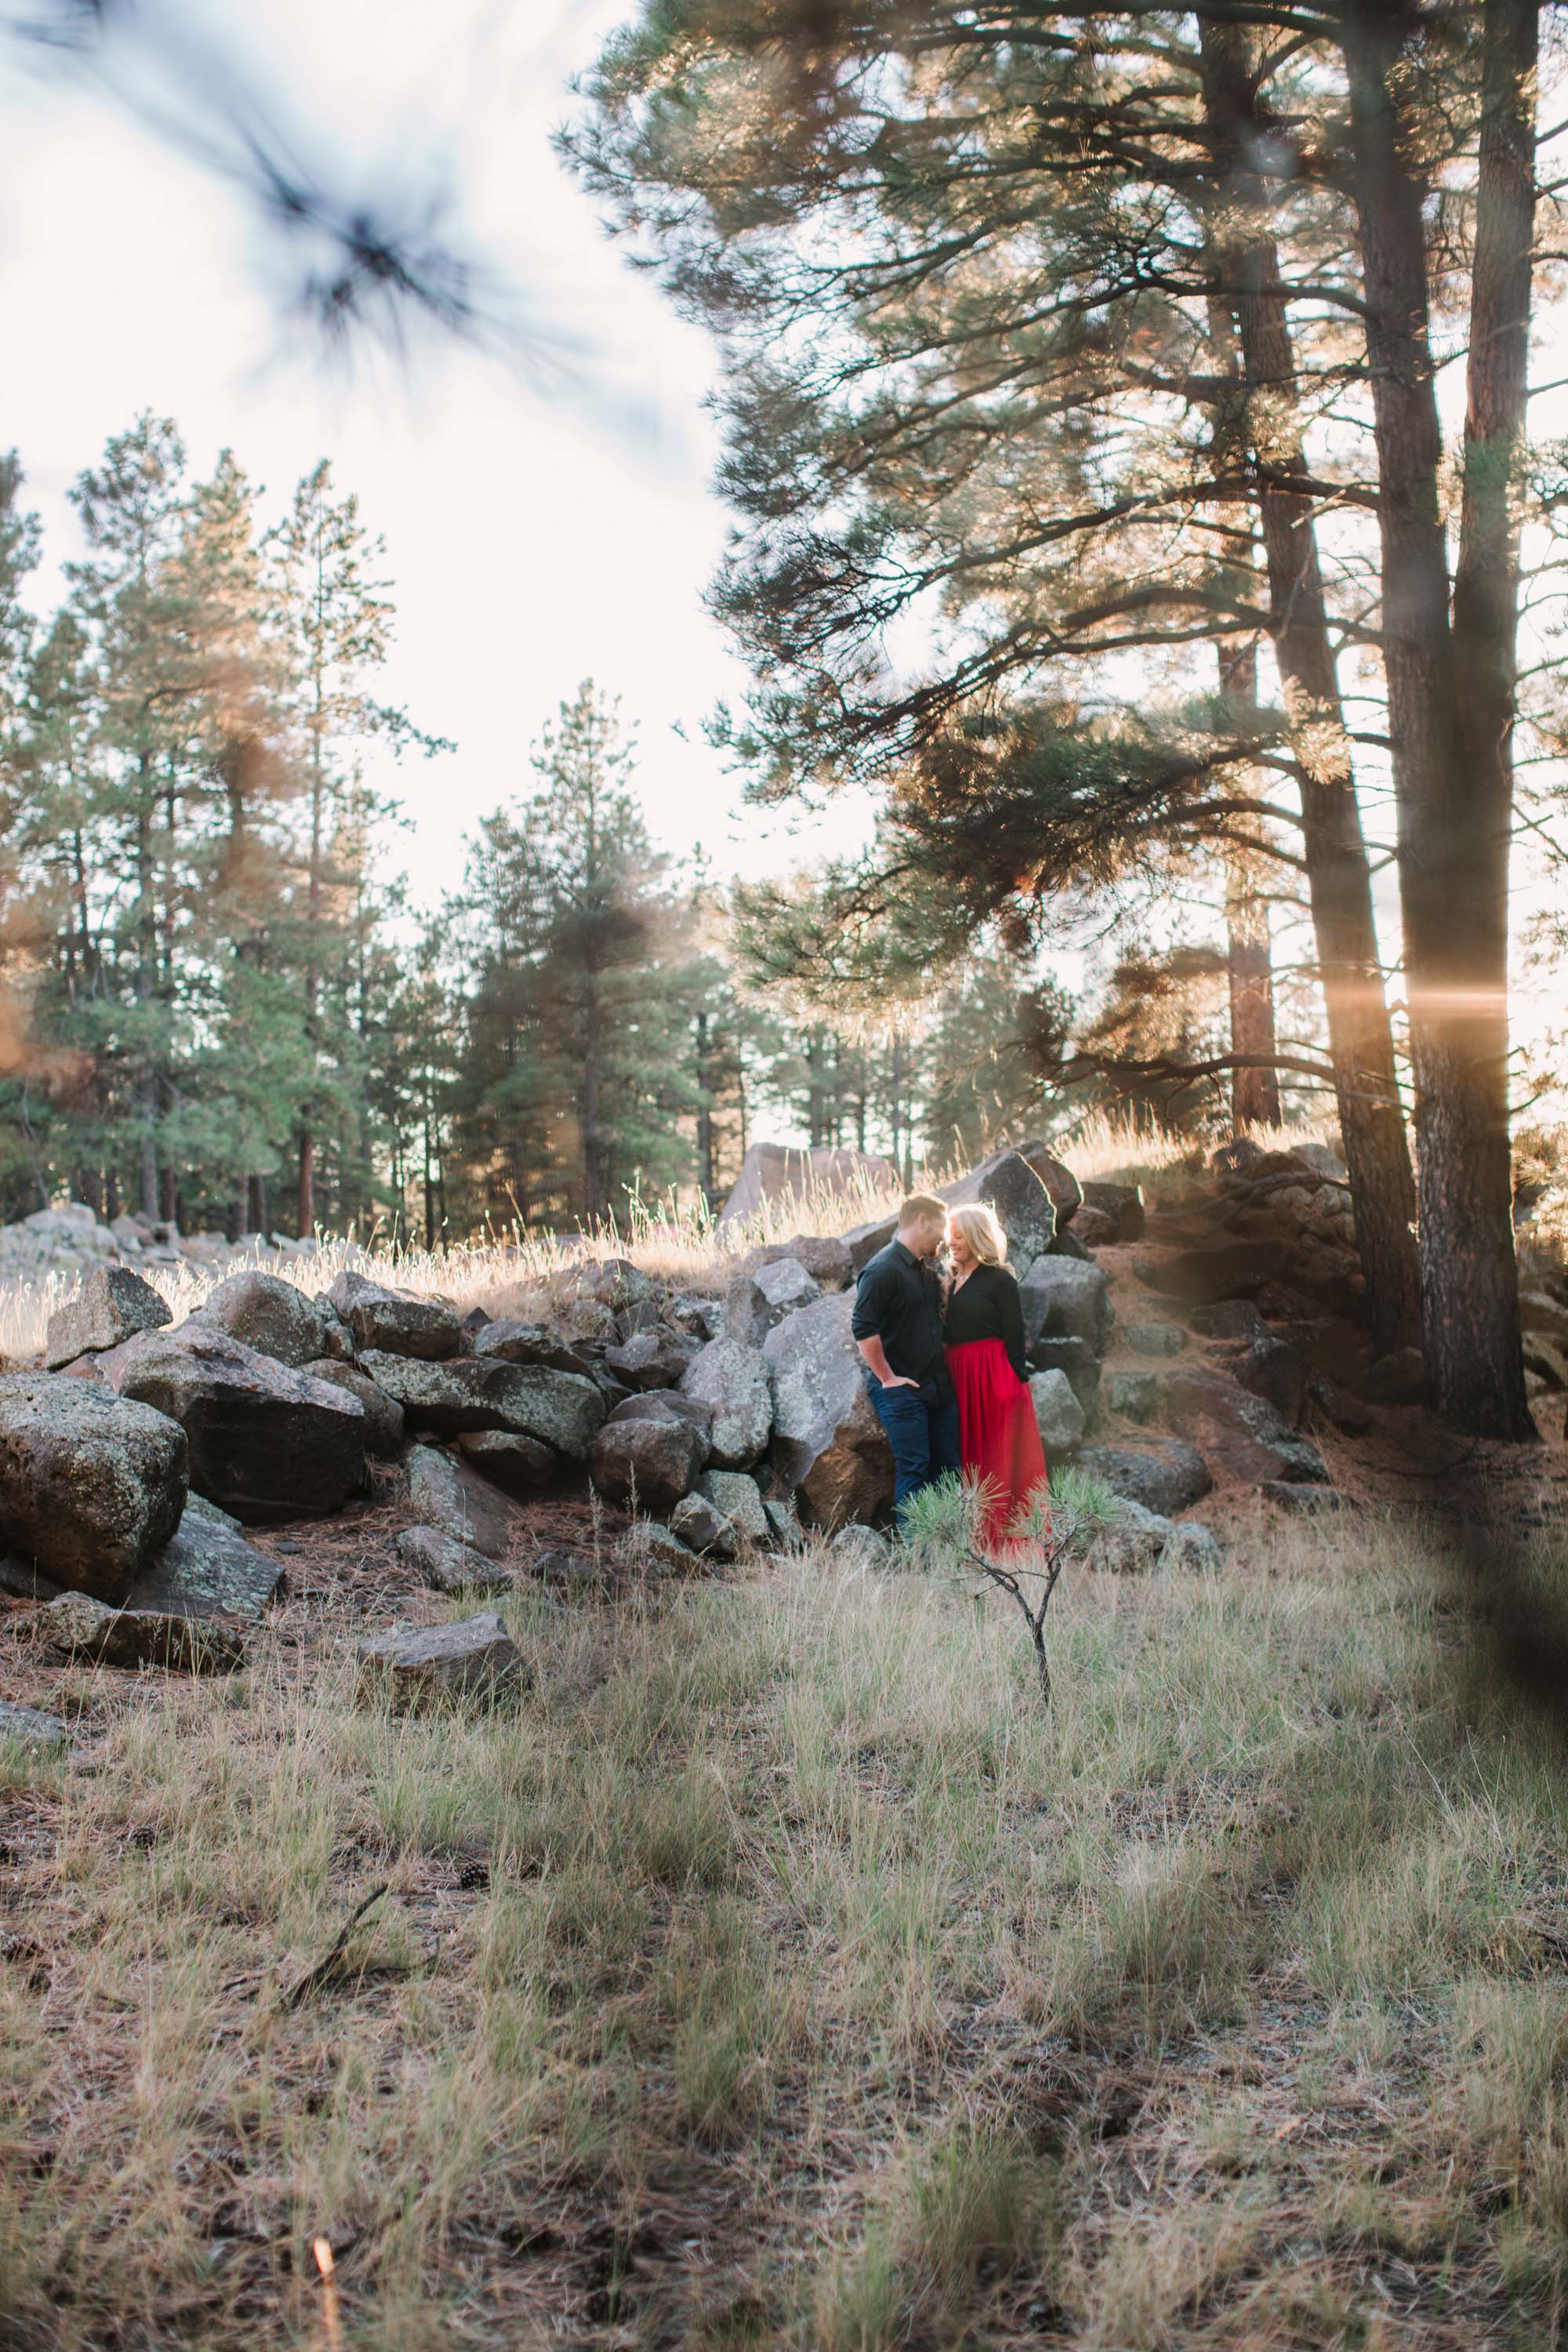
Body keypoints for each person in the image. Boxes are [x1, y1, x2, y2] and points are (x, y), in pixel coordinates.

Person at [942, 1202, 1049, 1545]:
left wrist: (1016, 1382)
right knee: (962, 1454)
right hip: (957, 1373)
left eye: (959, 1236)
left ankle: (999, 1537)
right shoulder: (952, 1277)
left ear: (976, 1236)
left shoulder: (1000, 1280)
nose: (952, 1242)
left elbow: (1014, 1335)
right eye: (950, 1235)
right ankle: (965, 1535)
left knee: (994, 1455)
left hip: (990, 1374)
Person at [851, 1193, 961, 1527]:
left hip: (938, 1388)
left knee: (949, 1468)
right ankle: (918, 1555)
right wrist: (887, 1378)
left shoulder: (921, 1269)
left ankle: (949, 1547)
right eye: (941, 1228)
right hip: (902, 1390)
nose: (943, 1238)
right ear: (922, 1220)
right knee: (915, 1469)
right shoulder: (882, 1269)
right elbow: (862, 1326)